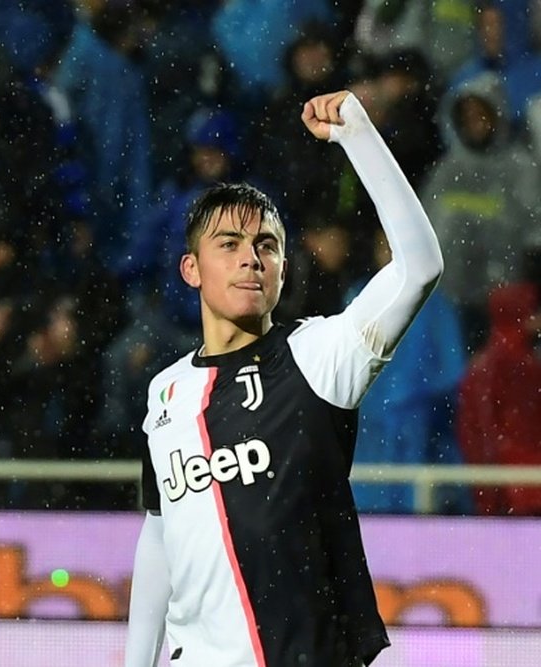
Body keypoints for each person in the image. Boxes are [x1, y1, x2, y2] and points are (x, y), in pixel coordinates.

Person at [124, 91, 444, 666]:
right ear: (190, 269)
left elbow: (419, 266)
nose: (252, 258)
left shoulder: (318, 355)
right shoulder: (165, 391)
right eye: (230, 244)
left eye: (266, 246)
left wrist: (357, 135)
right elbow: (159, 530)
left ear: (283, 268)